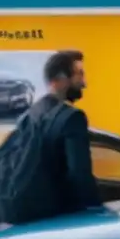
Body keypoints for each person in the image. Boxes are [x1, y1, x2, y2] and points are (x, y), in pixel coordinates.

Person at [31, 51, 101, 217]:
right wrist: (97, 213)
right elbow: (80, 175)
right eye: (79, 75)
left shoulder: (30, 115)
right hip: (58, 219)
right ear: (60, 79)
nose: (84, 83)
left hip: (25, 215)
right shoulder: (72, 118)